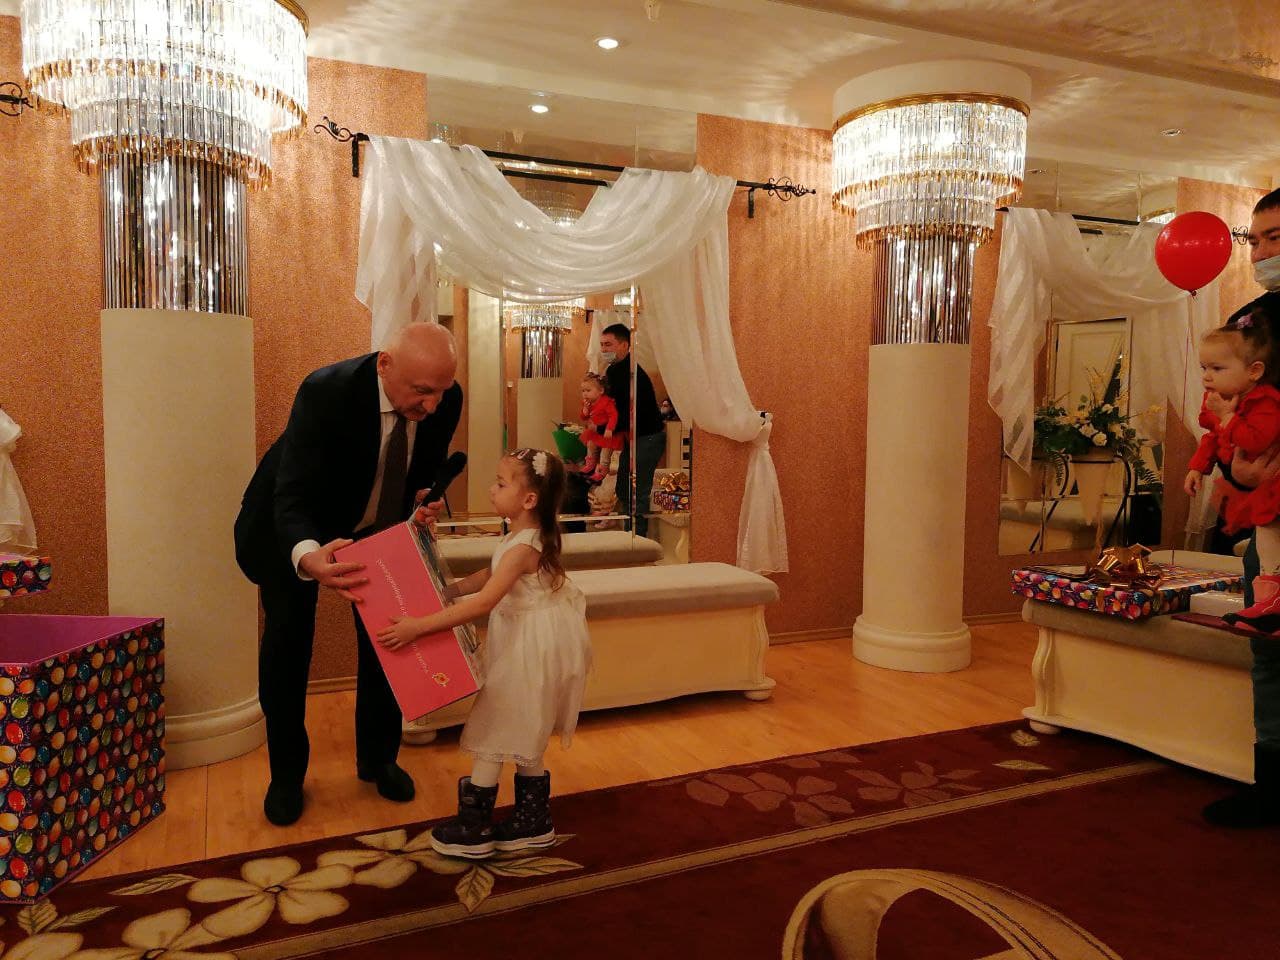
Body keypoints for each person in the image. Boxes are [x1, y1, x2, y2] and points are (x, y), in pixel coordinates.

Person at [234, 323, 463, 827]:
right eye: (420, 391)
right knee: (288, 648)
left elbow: (423, 465)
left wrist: (426, 498)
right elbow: (292, 492)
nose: (431, 405)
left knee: (389, 641)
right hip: (293, 527)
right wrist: (308, 554)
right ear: (385, 364)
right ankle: (286, 777)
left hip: (376, 528)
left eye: (441, 391)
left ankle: (379, 760)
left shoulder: (445, 398)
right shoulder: (326, 391)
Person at [376, 448, 591, 859]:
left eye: (501, 483)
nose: (492, 489)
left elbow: (485, 601)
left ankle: (473, 828)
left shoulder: (523, 546)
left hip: (528, 646)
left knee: (496, 723)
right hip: (527, 638)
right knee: (523, 725)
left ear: (529, 499)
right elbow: (490, 574)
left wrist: (417, 627)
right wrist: (448, 590)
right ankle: (534, 821)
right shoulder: (519, 537)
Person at [1202, 187, 1280, 828]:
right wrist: (1232, 465)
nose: (1260, 253)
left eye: (1274, 239)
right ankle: (1271, 784)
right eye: (1255, 240)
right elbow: (1223, 407)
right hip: (1266, 511)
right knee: (1269, 646)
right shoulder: (1250, 319)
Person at [1184, 307, 1280, 632]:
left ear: (1254, 371)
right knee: (1265, 546)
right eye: (1204, 368)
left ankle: (1270, 599)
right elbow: (1213, 438)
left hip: (1272, 486)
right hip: (1257, 486)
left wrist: (1227, 418)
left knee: (1269, 538)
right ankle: (1268, 600)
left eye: (1217, 368)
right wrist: (1198, 467)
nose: (1207, 376)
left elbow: (1256, 439)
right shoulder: (1224, 398)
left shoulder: (1265, 402)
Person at [600, 323, 665, 538]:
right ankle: (628, 536)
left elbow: (620, 412)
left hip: (647, 437)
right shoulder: (614, 370)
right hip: (633, 437)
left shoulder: (630, 371)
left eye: (608, 344)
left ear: (624, 345)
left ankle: (638, 541)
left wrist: (603, 430)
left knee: (637, 492)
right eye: (602, 345)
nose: (604, 349)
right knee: (624, 488)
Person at [579, 373, 622, 483]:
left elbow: (613, 415)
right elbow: (584, 417)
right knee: (590, 445)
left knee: (605, 453)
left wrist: (609, 429)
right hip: (596, 432)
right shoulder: (588, 403)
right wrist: (585, 410)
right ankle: (590, 464)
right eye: (583, 391)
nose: (585, 394)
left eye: (588, 390)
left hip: (607, 433)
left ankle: (602, 470)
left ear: (601, 391)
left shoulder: (606, 402)